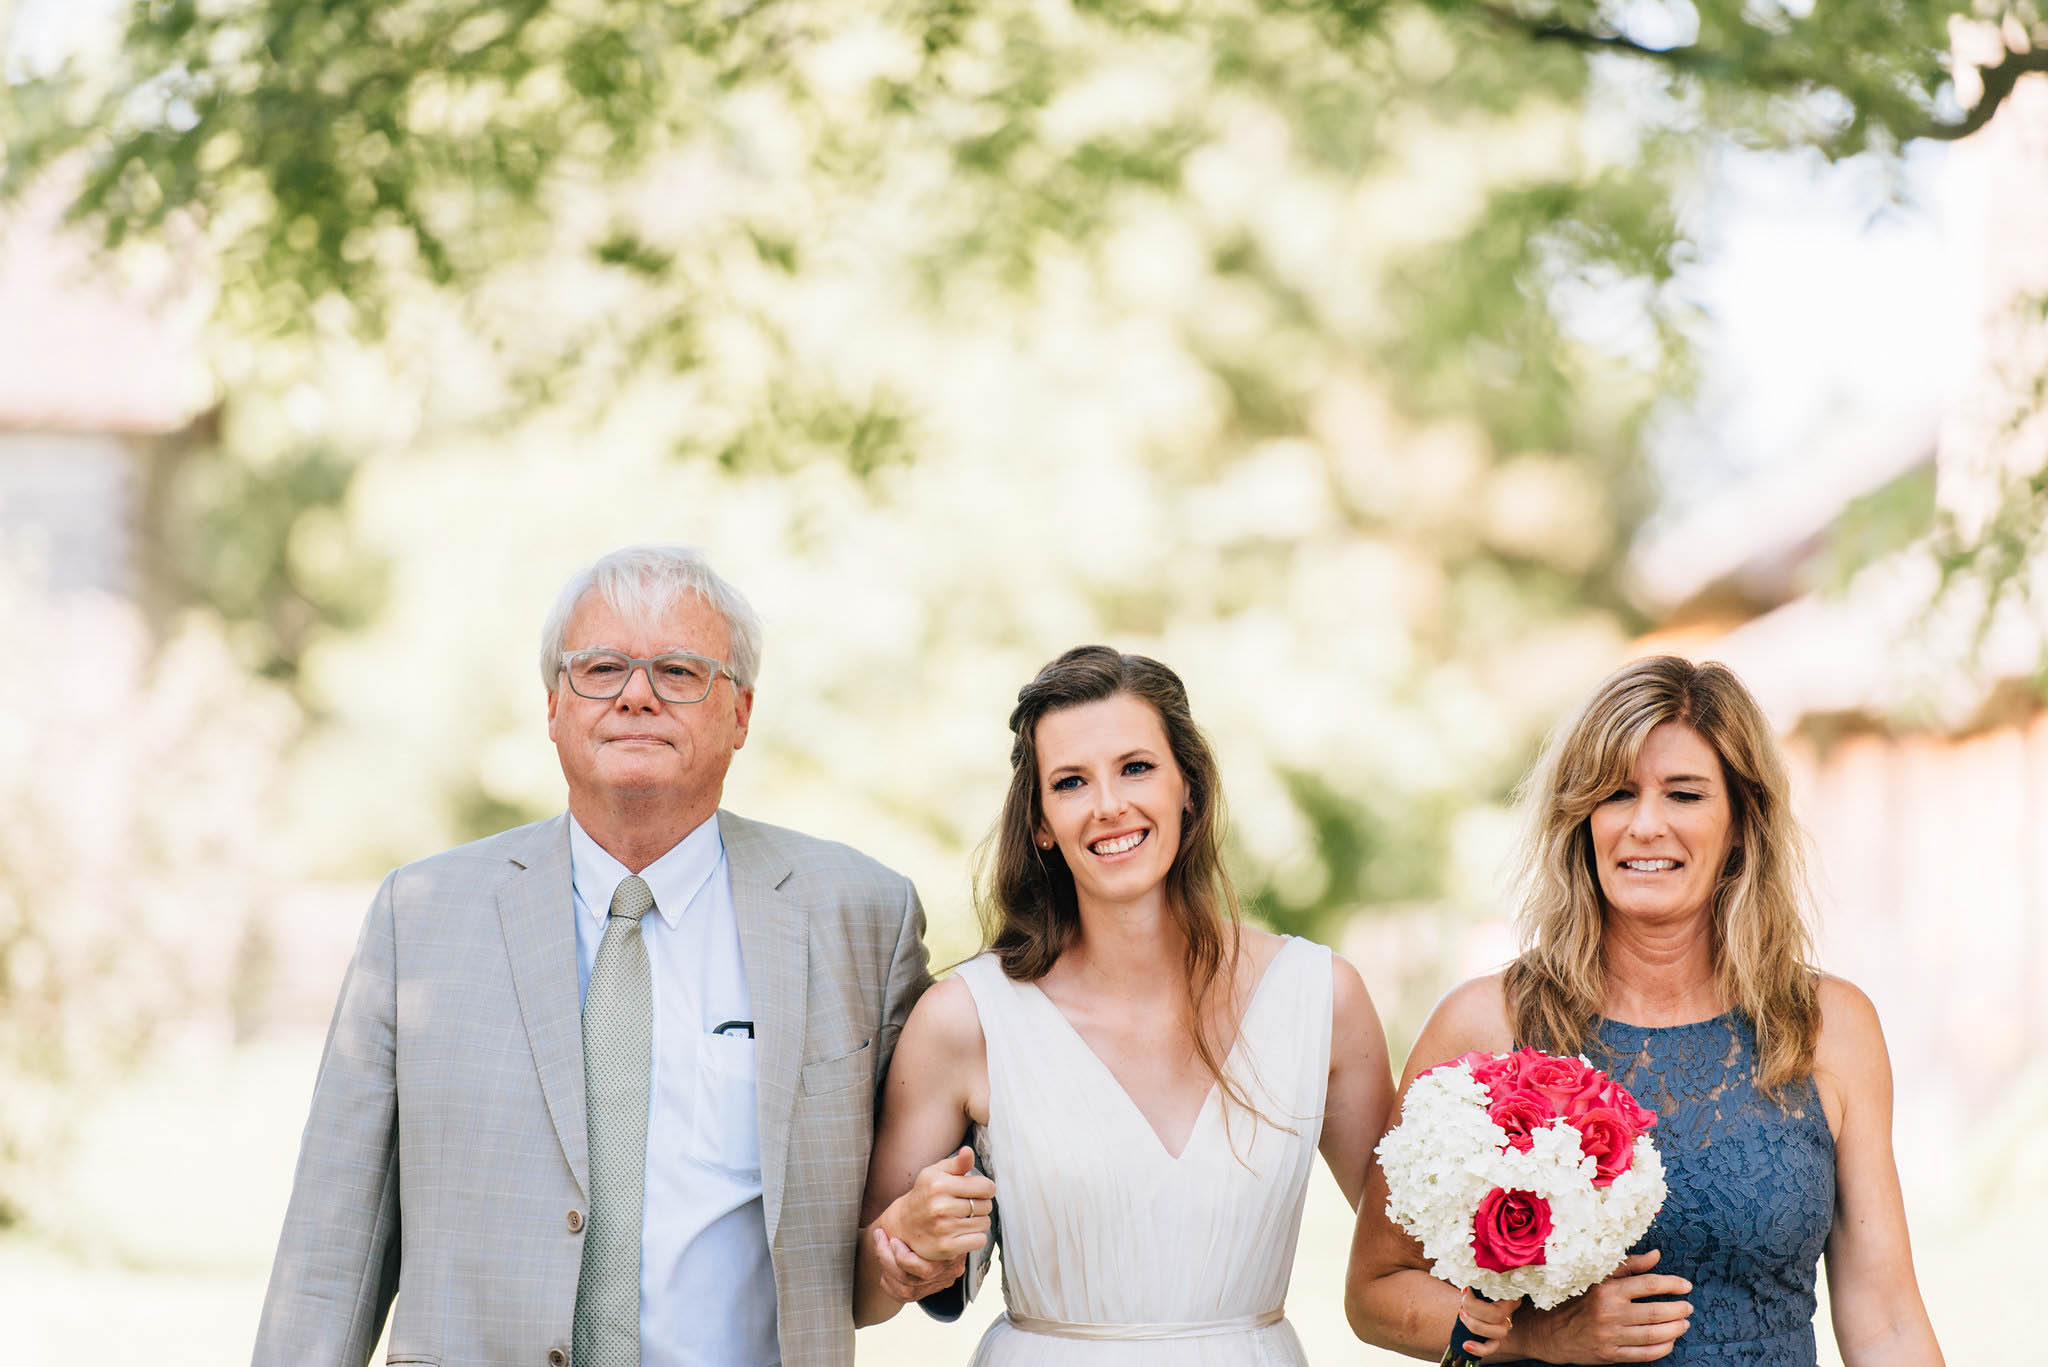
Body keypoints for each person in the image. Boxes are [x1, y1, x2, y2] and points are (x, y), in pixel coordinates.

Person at [253, 544, 944, 1367]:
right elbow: (333, 1251)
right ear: (553, 706)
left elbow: (920, 1210)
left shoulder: (862, 914)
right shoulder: (421, 916)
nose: (637, 695)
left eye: (681, 671)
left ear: (742, 712)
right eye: (602, 667)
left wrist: (924, 1247)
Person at [1345, 655, 1945, 1366]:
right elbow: (1377, 1289)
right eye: (1618, 793)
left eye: (1685, 794)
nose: (1646, 825)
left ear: (1742, 823)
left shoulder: (1828, 1026)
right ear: (1583, 818)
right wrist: (1544, 1335)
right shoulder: (1485, 1024)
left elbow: (1886, 1316)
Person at [853, 645, 1395, 1364]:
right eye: (1071, 781)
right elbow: (862, 1288)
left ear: (1188, 786)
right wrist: (903, 1250)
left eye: (1136, 767)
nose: (1110, 804)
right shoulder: (966, 1018)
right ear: (1041, 820)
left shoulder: (1320, 996)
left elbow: (1414, 1250)